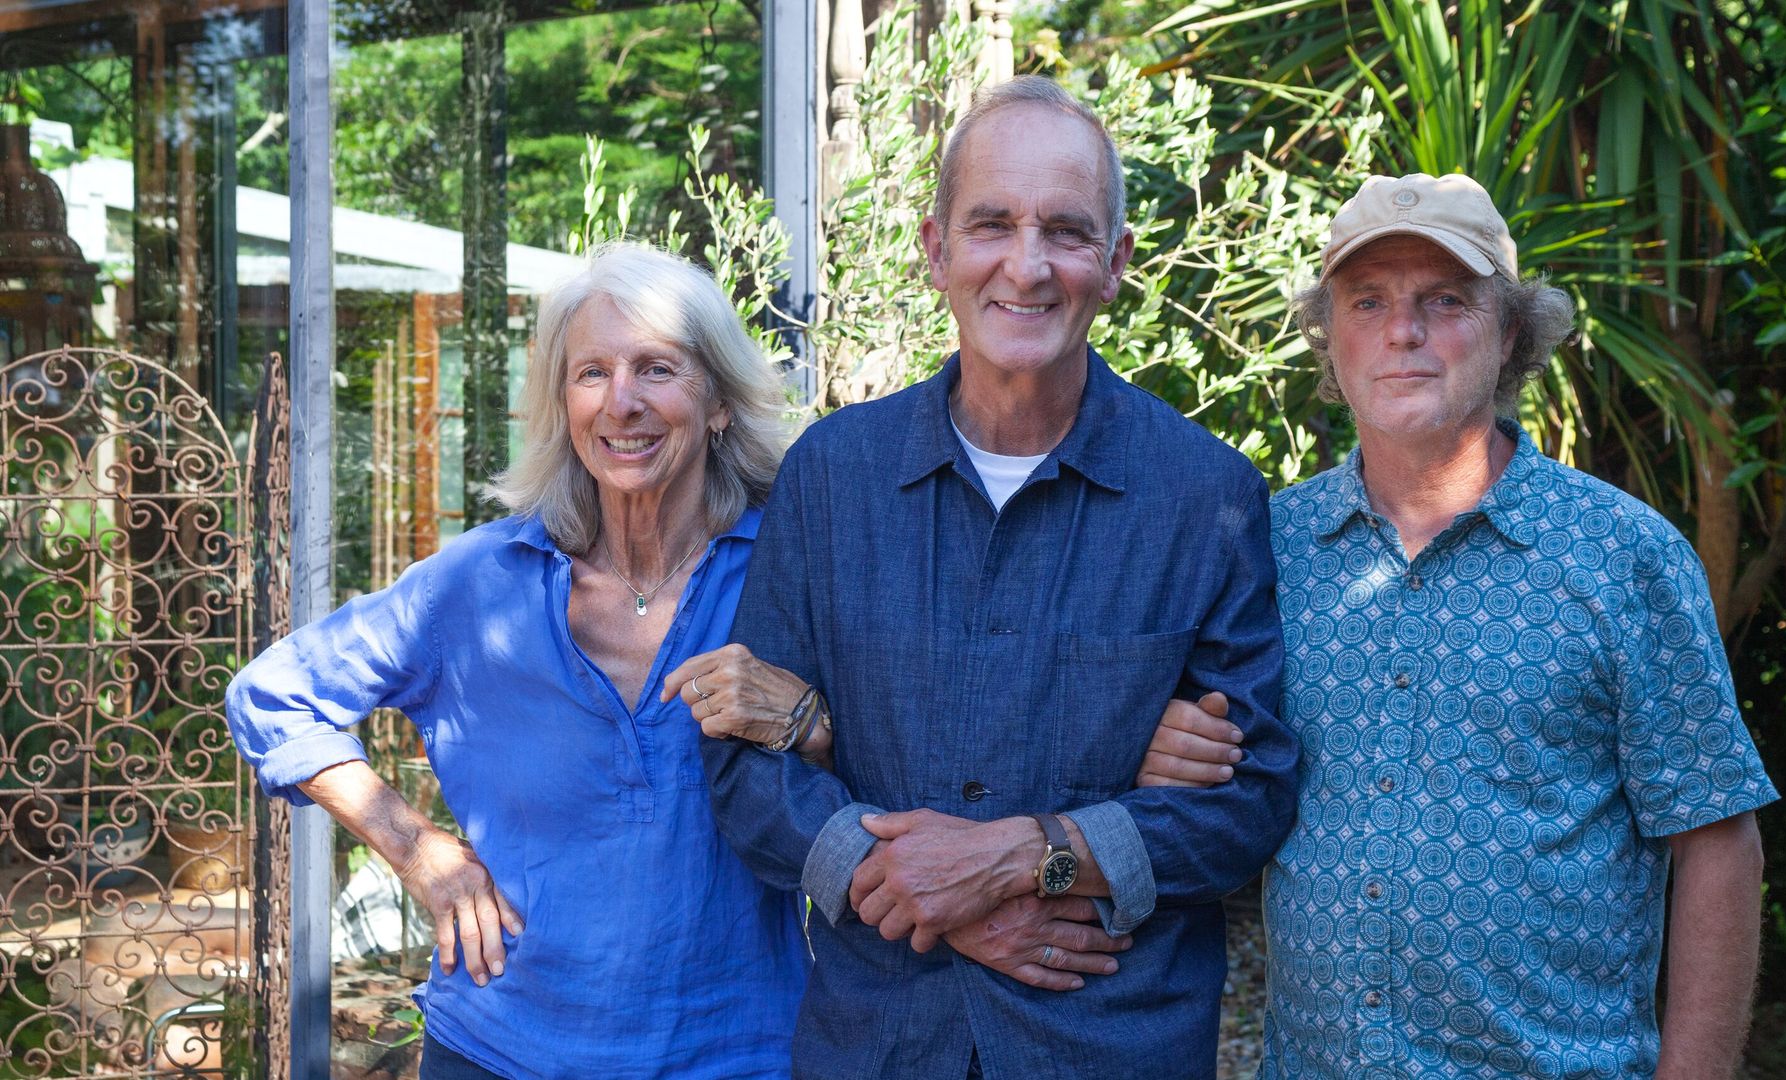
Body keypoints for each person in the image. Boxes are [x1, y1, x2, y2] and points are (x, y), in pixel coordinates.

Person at [226, 243, 1234, 1079]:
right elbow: (275, 697)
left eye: (657, 368)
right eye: (592, 373)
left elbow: (938, 738)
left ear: (713, 398)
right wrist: (420, 852)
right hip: (498, 1047)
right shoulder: (477, 588)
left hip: (740, 1055)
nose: (623, 401)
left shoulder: (792, 563)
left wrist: (820, 724)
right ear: (562, 404)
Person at [696, 76, 1301, 1080]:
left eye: (1066, 231)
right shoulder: (835, 478)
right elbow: (745, 760)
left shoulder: (1205, 496)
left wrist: (1028, 855)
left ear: (1115, 264)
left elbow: (1251, 798)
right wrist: (913, 885)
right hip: (879, 1043)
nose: (1026, 266)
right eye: (991, 225)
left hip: (1108, 1042)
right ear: (936, 250)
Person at [1261, 173, 1777, 1077]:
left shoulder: (1622, 557)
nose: (1403, 331)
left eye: (1444, 301)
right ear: (1327, 333)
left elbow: (1717, 837)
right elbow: (1210, 775)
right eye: (1367, 300)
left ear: (1510, 334)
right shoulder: (1270, 552)